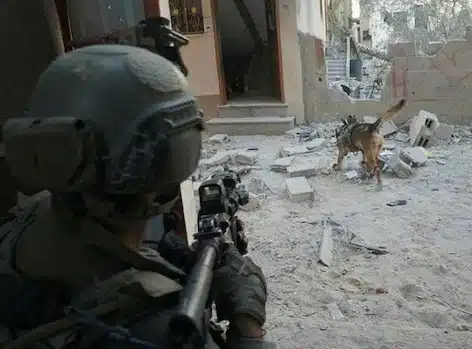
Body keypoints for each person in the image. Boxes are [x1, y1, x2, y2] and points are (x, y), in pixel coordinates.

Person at [0, 44, 275, 349]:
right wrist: (248, 327)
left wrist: (189, 258)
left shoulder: (27, 220)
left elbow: (119, 249)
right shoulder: (161, 332)